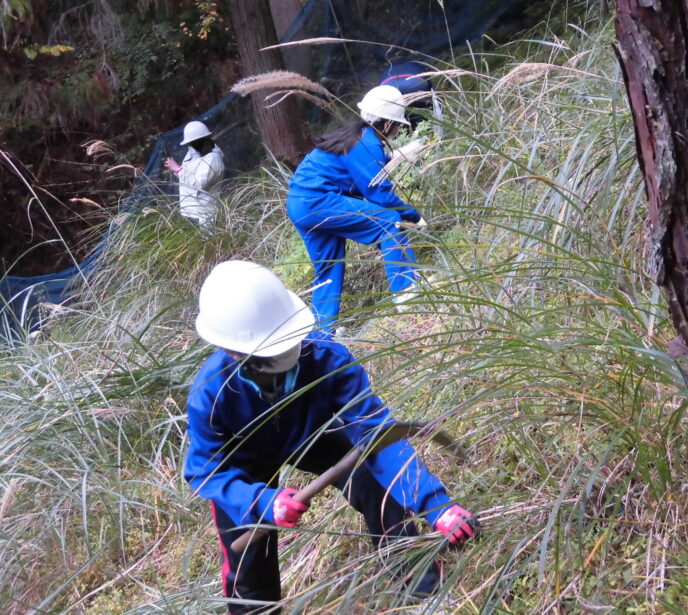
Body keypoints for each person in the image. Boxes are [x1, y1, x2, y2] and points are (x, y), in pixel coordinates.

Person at [184, 260, 478, 614]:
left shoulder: (327, 358)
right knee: (247, 555)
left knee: (376, 485)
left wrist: (435, 504)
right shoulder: (211, 395)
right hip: (246, 460)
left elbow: (379, 437)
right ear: (233, 351)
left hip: (315, 433)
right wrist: (261, 502)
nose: (289, 355)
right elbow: (204, 471)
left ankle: (421, 590)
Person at [287, 85, 427, 329]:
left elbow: (360, 170)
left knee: (327, 271)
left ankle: (321, 335)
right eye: (397, 124)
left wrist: (399, 156)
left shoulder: (357, 135)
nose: (398, 129)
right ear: (386, 123)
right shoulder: (366, 142)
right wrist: (413, 216)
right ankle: (407, 289)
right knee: (389, 221)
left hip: (300, 204)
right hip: (319, 201)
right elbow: (378, 192)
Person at [164, 120, 225, 227]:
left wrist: (178, 169)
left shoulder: (212, 159)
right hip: (194, 214)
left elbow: (198, 184)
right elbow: (187, 176)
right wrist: (177, 170)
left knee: (211, 243)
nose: (189, 146)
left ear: (197, 142)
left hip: (206, 215)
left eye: (191, 143)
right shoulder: (195, 156)